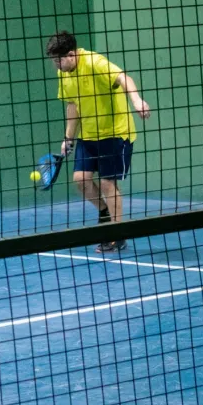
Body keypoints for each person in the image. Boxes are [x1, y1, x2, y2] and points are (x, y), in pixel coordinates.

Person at [46, 30, 151, 252]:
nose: (56, 65)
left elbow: (124, 78)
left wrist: (136, 101)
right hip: (89, 135)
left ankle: (117, 233)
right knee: (80, 180)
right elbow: (72, 104)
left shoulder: (95, 63)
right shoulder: (64, 73)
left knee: (107, 183)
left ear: (72, 54)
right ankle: (105, 212)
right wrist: (68, 137)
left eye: (58, 60)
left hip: (115, 133)